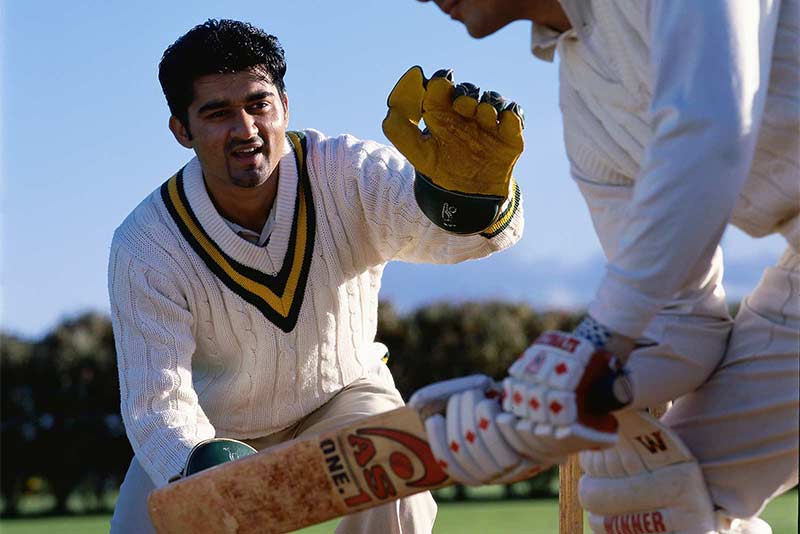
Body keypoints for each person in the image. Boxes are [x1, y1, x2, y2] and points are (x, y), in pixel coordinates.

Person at [107, 18, 526, 533]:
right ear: (181, 130)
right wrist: (202, 470)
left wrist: (470, 202)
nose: (245, 130)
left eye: (258, 104)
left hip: (343, 396)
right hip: (211, 430)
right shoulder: (146, 244)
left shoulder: (346, 170)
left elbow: (442, 234)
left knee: (400, 483)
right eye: (217, 114)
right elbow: (157, 401)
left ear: (285, 105)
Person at [410, 1, 799, 532]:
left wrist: (596, 340)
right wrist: (537, 408)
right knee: (652, 495)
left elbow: (711, 129)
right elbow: (681, 324)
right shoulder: (587, 102)